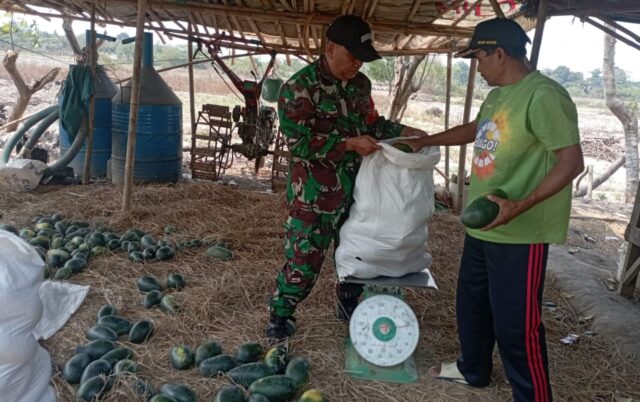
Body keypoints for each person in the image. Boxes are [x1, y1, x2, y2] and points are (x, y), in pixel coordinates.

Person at [398, 17, 584, 402]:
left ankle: (532, 396)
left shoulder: (544, 95)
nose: (477, 66)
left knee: (517, 324)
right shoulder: (498, 94)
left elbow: (571, 161)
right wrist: (426, 140)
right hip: (483, 226)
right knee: (472, 306)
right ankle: (474, 370)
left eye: (480, 57)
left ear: (500, 53)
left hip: (520, 230)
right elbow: (476, 129)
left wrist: (520, 205)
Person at [266, 14, 428, 342]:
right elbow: (299, 143)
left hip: (358, 190)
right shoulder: (299, 88)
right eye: (352, 57)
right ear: (329, 49)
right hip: (314, 194)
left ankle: (349, 304)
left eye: (362, 59)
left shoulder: (360, 85)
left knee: (358, 252)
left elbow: (371, 123)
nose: (357, 65)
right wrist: (348, 144)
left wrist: (402, 131)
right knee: (304, 258)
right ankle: (280, 315)